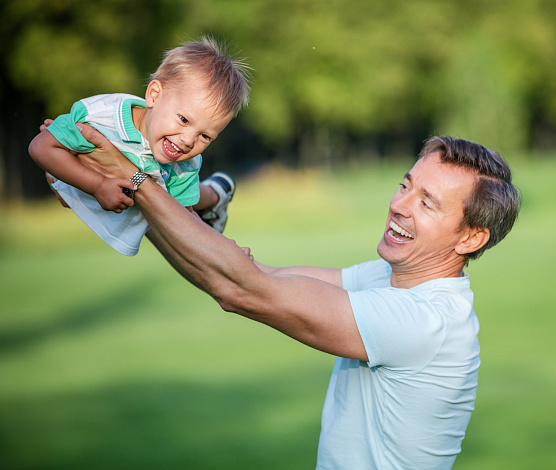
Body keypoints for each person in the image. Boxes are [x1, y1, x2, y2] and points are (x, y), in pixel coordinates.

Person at [67, 126, 521, 469]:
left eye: (428, 203)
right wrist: (140, 199)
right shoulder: (389, 278)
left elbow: (242, 289)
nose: (400, 205)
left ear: (470, 237)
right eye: (406, 186)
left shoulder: (423, 322)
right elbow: (253, 275)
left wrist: (137, 180)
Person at [28, 37, 250, 254]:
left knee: (179, 194)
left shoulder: (186, 160)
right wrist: (97, 185)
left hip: (150, 188)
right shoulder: (99, 119)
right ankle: (216, 194)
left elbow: (184, 221)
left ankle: (214, 198)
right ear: (154, 95)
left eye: (205, 136)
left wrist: (227, 250)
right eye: (183, 120)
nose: (188, 140)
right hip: (106, 184)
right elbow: (41, 147)